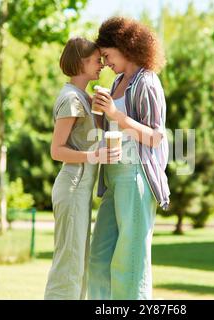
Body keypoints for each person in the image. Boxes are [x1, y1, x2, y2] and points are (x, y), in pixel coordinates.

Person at [88, 17, 170, 300]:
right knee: (98, 259)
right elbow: (112, 127)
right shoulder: (117, 83)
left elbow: (155, 136)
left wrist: (114, 114)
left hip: (136, 176)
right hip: (112, 176)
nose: (106, 63)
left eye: (108, 55)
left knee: (129, 264)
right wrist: (97, 112)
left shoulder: (147, 82)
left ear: (125, 47)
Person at [44, 37, 121, 300]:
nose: (101, 65)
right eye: (95, 60)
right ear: (80, 63)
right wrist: (95, 155)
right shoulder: (71, 100)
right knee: (69, 264)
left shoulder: (82, 97)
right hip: (73, 186)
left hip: (80, 190)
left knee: (78, 262)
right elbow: (57, 150)